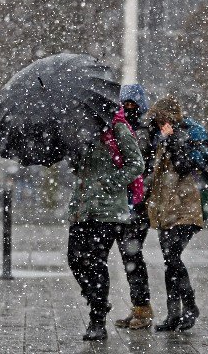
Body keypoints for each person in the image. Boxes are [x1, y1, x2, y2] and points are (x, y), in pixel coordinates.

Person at [67, 107, 144, 341]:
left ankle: (97, 319)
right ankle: (96, 299)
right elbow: (80, 169)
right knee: (74, 258)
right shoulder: (81, 130)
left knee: (96, 261)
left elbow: (136, 164)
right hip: (82, 208)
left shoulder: (117, 129)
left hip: (108, 211)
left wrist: (110, 183)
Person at [146, 96, 203, 332]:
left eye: (161, 119)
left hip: (184, 210)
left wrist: (170, 141)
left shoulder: (181, 137)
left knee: (172, 257)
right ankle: (173, 314)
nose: (159, 123)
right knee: (170, 262)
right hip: (166, 210)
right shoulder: (161, 138)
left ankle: (190, 306)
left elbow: (183, 166)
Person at [114, 84, 158, 330]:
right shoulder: (123, 127)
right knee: (128, 255)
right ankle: (139, 307)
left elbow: (144, 166)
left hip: (137, 204)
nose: (129, 108)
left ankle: (142, 308)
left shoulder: (145, 131)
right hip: (125, 203)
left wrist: (140, 191)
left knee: (132, 255)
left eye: (133, 104)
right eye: (125, 104)